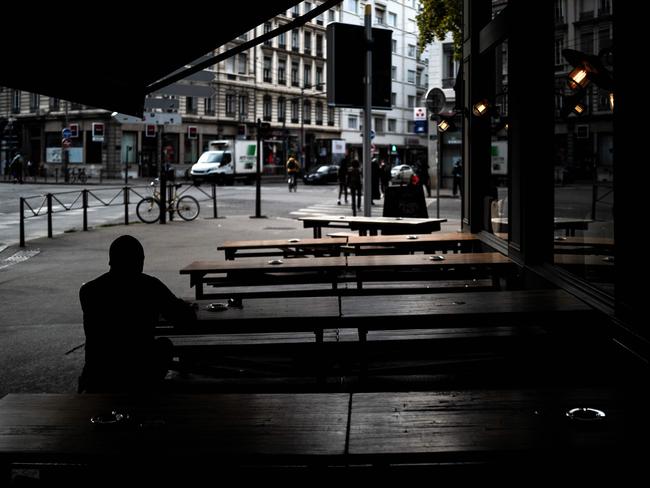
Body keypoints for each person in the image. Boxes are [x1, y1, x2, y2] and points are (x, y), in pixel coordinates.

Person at [78, 235, 196, 393]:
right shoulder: (151, 287)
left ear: (111, 261)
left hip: (99, 373)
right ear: (140, 260)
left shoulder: (89, 291)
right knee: (164, 345)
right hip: (141, 370)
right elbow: (185, 318)